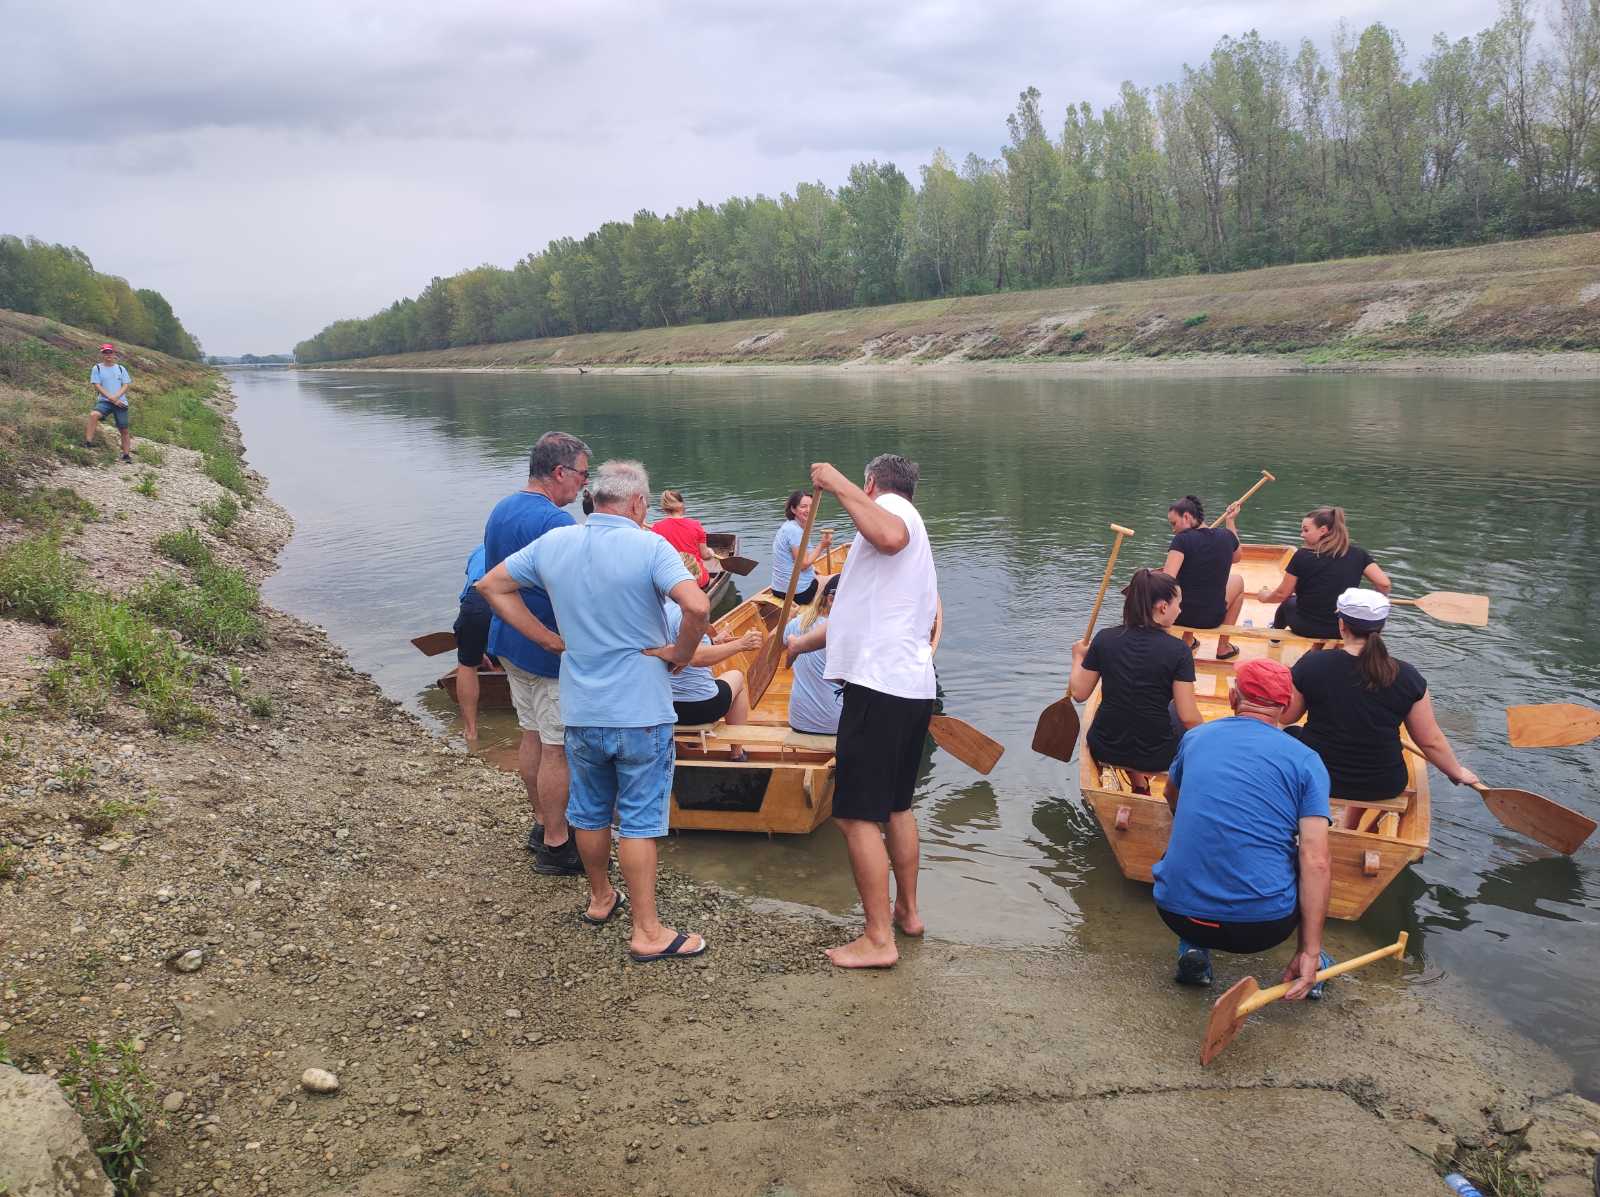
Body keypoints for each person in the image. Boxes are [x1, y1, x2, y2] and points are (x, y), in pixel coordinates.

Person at [478, 460, 711, 962]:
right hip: (640, 711)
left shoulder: (555, 543)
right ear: (638, 503)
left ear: (595, 498)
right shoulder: (650, 546)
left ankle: (601, 897)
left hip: (581, 707)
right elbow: (696, 607)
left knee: (589, 812)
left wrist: (548, 640)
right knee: (641, 821)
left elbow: (491, 586)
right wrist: (681, 653)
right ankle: (647, 931)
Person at [783, 455, 937, 969]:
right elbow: (854, 615)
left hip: (878, 687)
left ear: (872, 484)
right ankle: (906, 914)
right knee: (896, 808)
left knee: (853, 817)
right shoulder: (904, 543)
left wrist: (834, 481)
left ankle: (876, 940)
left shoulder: (892, 512)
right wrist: (802, 644)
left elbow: (889, 533)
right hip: (910, 687)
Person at [1151, 659, 1333, 997]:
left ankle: (1192, 948)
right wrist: (1309, 947)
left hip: (1175, 911)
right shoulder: (1306, 760)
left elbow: (1171, 797)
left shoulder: (1196, 739)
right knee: (1310, 857)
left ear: (1233, 697)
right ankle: (1312, 960)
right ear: (1285, 707)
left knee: (1189, 840)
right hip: (1261, 929)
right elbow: (1316, 860)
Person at [482, 431, 590, 876]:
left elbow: (494, 578)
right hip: (548, 648)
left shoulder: (502, 509)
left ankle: (541, 823)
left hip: (509, 642)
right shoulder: (558, 525)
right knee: (556, 748)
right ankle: (558, 844)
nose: (585, 484)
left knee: (531, 734)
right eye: (582, 475)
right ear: (560, 472)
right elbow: (583, 592)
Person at [1283, 589, 1479, 824]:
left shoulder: (1312, 664)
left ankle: (1303, 819)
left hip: (1317, 777)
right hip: (1382, 784)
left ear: (1342, 624)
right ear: (1381, 628)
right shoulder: (1408, 676)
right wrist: (1456, 771)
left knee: (1292, 734)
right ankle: (1352, 824)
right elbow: (1430, 740)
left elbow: (1288, 716)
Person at [1070, 569, 1203, 794]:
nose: (1180, 610)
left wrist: (1077, 657)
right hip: (1158, 756)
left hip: (1104, 747)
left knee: (1131, 706)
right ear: (1162, 607)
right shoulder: (1179, 651)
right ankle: (1172, 791)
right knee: (1171, 711)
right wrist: (1212, 742)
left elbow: (1079, 693)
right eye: (1177, 604)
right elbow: (1189, 718)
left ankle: (1139, 785)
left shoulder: (1104, 639)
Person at [1258, 507, 1391, 640]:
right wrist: (1374, 605)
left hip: (1306, 627)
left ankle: (1274, 636)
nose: (1302, 535)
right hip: (1345, 628)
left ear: (1323, 530)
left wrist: (1264, 597)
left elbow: (1282, 594)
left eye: (1306, 530)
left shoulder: (1302, 556)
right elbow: (1384, 584)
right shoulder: (1359, 554)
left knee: (1289, 603)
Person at [663, 573, 762, 752]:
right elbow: (696, 657)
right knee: (737, 677)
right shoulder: (691, 612)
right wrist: (740, 644)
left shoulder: (655, 612)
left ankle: (680, 745)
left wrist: (714, 643)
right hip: (700, 707)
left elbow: (682, 646)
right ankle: (737, 752)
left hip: (662, 707)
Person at [1162, 495, 1244, 661]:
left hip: (1179, 616)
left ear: (1186, 517)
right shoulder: (1227, 536)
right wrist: (1230, 521)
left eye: (1174, 523)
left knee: (1186, 585)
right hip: (1212, 618)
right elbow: (1237, 557)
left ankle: (1188, 640)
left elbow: (1166, 582)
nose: (1173, 529)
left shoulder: (1181, 540)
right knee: (1238, 581)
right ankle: (1223, 647)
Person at [786, 575, 843, 735]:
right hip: (838, 725)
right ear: (830, 600)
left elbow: (775, 645)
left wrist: (789, 619)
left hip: (798, 720)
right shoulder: (851, 630)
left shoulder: (797, 623)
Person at [451, 543, 494, 741]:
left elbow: (468, 594)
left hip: (474, 601)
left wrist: (478, 650)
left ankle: (471, 732)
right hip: (506, 597)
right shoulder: (522, 546)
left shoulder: (478, 550)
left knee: (467, 664)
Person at [771, 490, 833, 604]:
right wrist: (822, 545)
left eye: (811, 506)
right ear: (793, 509)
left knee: (820, 576)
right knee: (839, 580)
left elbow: (797, 558)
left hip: (778, 589)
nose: (809, 510)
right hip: (798, 594)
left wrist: (813, 569)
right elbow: (803, 565)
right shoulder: (795, 531)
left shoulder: (789, 526)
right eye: (803, 507)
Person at [651, 490, 716, 588]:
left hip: (671, 584)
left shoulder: (656, 528)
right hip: (697, 581)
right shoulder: (695, 525)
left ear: (664, 508)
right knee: (706, 578)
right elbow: (705, 556)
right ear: (682, 505)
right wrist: (710, 553)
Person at [84, 344, 132, 462]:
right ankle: (88, 442)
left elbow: (126, 385)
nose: (108, 355)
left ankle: (126, 455)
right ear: (102, 354)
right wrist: (111, 398)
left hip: (120, 402)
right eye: (105, 352)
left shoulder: (121, 369)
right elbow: (97, 385)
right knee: (93, 415)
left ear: (114, 354)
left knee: (124, 429)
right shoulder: (97, 368)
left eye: (110, 352)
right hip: (105, 401)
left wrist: (116, 397)